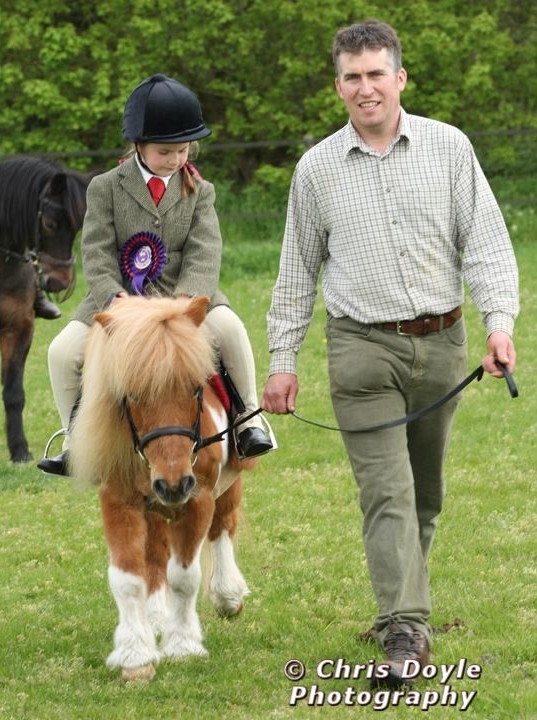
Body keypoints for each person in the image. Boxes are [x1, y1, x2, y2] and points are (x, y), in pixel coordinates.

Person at [261, 20, 518, 688]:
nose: (365, 88)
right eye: (352, 77)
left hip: (442, 344)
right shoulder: (316, 170)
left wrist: (499, 324)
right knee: (388, 492)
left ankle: (407, 607)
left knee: (424, 494)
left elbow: (486, 242)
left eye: (376, 73)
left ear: (400, 78)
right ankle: (404, 629)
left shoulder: (449, 148)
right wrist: (282, 361)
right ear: (338, 86)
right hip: (361, 351)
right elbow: (295, 273)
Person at [38, 73, 273, 476]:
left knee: (232, 330)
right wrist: (113, 297)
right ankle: (74, 442)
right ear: (138, 146)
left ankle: (248, 421)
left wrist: (187, 299)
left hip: (186, 298)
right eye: (166, 152)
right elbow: (95, 250)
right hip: (121, 302)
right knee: (61, 352)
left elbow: (205, 250)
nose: (176, 160)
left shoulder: (201, 191)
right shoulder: (104, 188)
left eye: (183, 150)